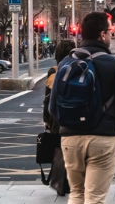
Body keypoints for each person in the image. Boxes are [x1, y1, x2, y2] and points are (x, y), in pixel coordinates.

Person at [49, 12, 115, 204]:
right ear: (101, 35)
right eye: (109, 31)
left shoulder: (66, 63)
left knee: (76, 194)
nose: (110, 35)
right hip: (102, 138)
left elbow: (52, 107)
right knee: (95, 199)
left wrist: (68, 126)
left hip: (70, 139)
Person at [43, 40, 77, 196]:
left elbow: (47, 98)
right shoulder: (78, 69)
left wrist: (46, 119)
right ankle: (71, 182)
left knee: (60, 150)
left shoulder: (54, 71)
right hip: (75, 117)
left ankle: (60, 183)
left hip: (57, 117)